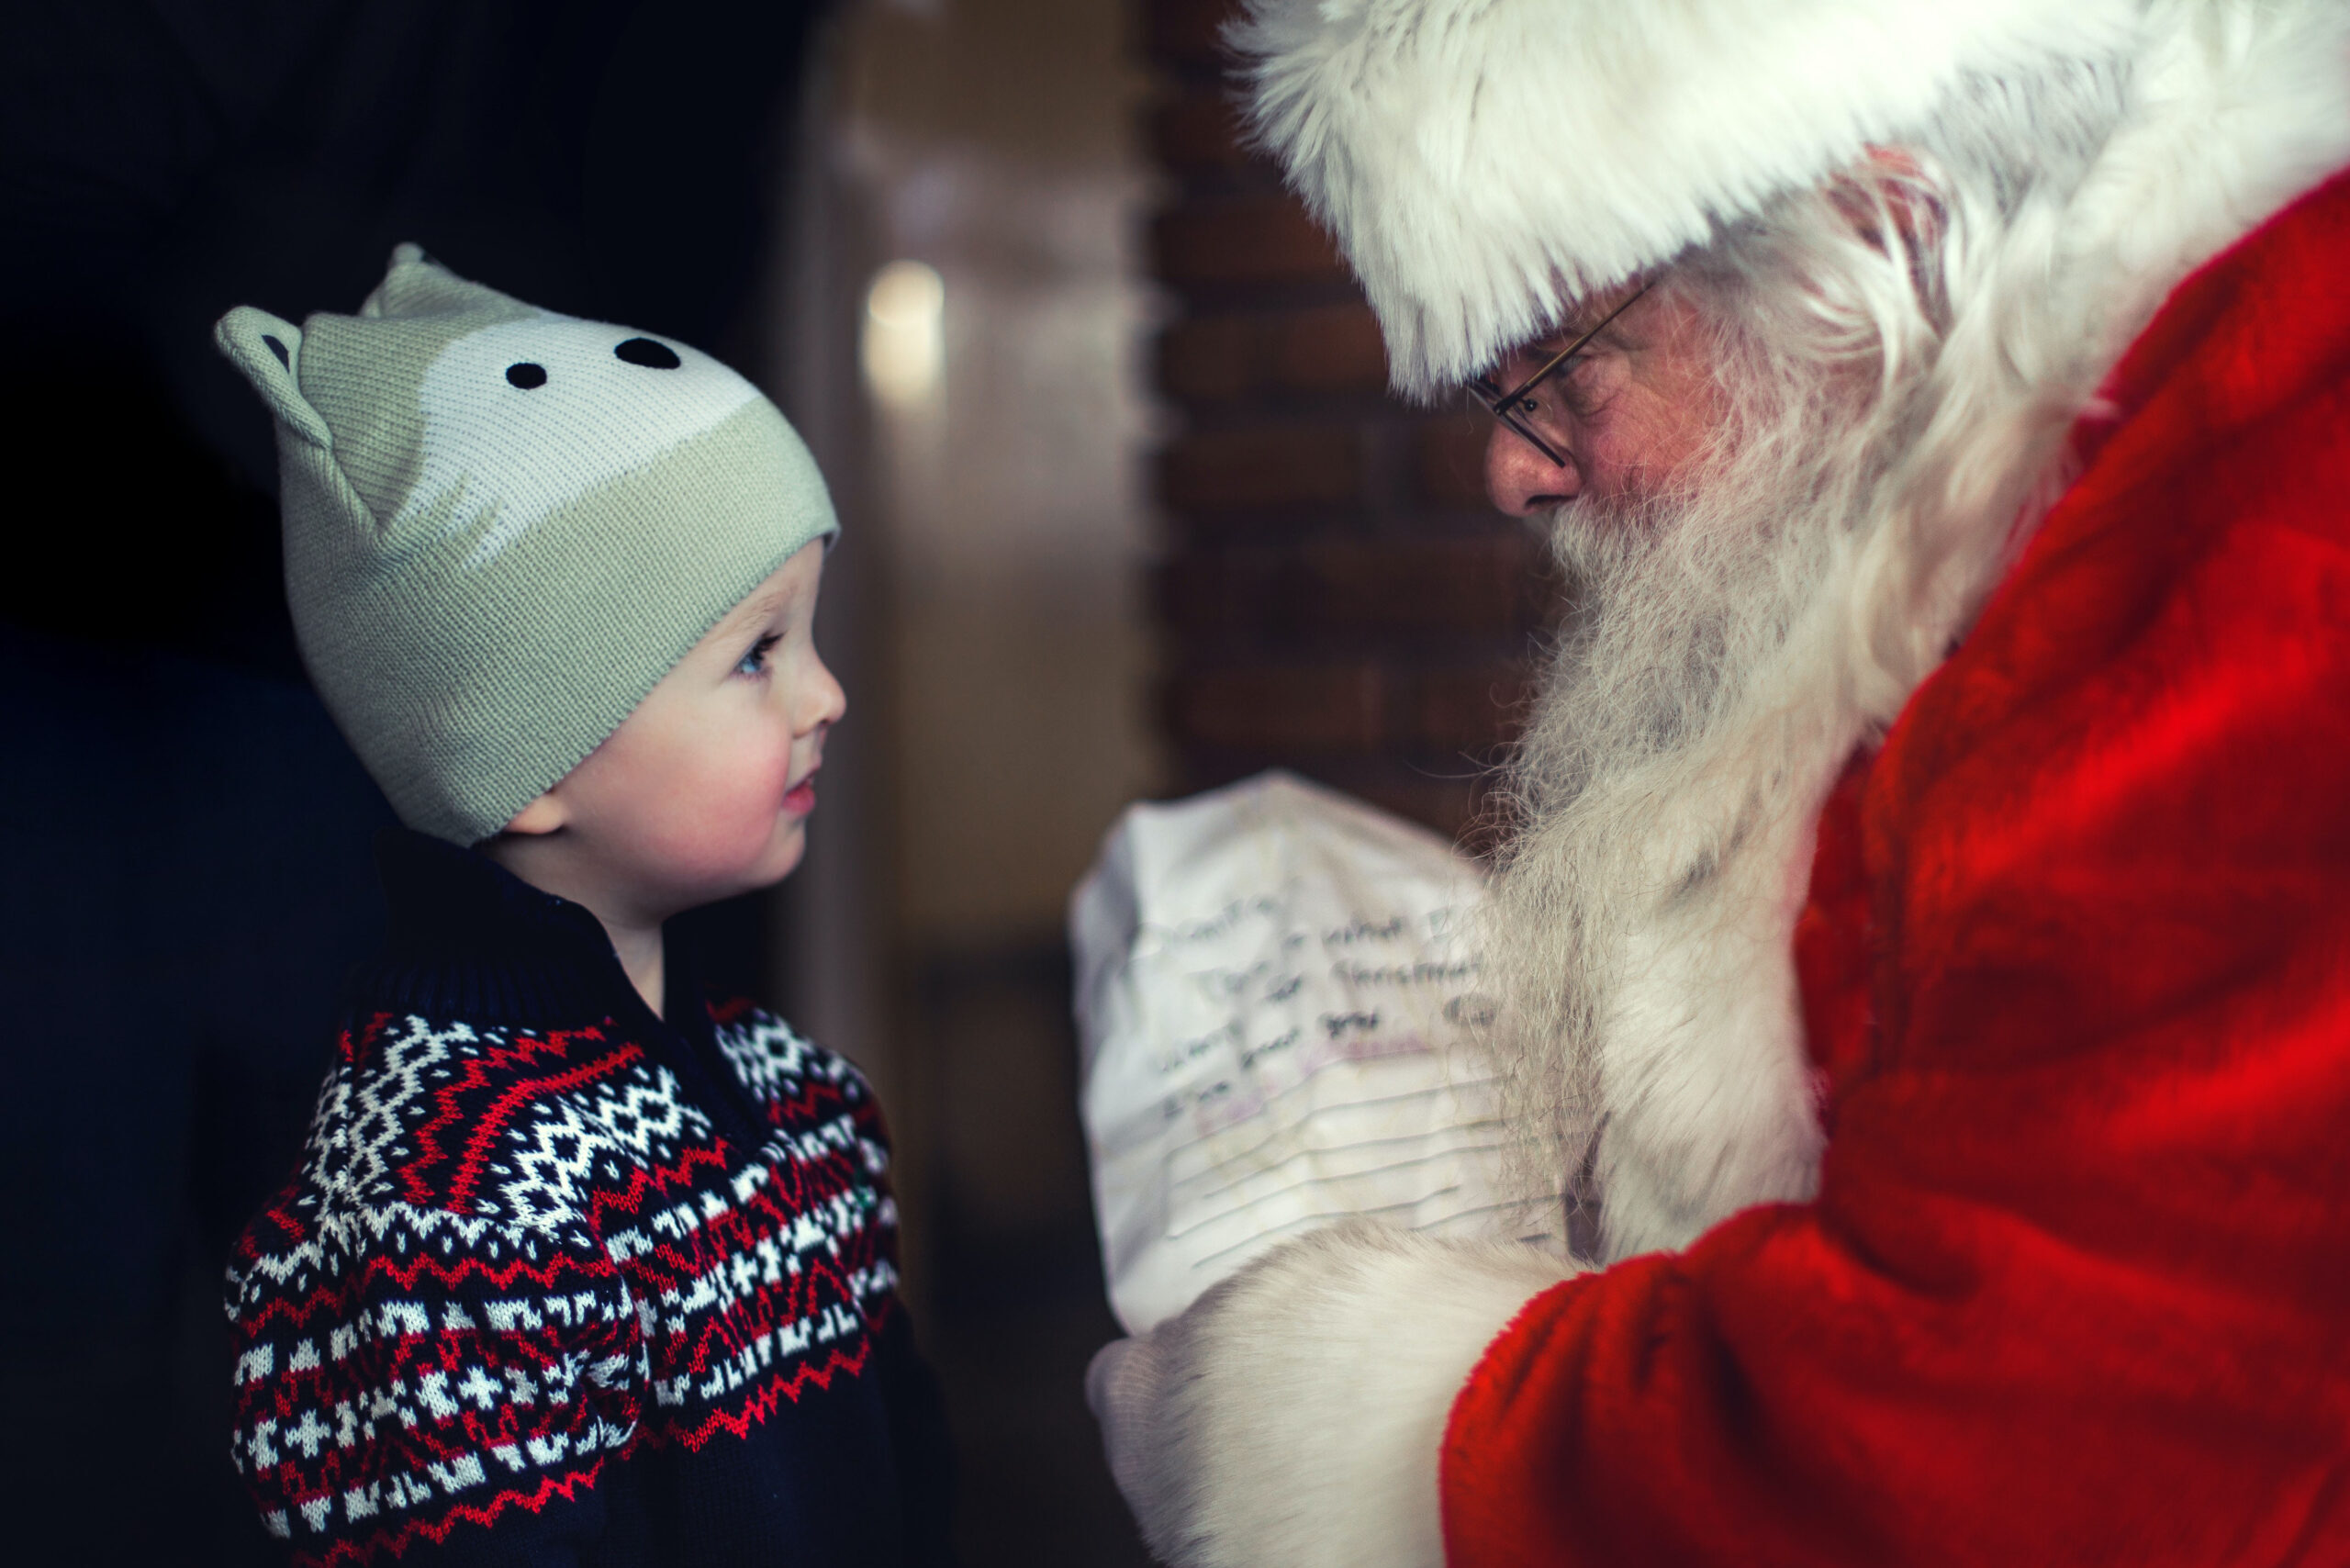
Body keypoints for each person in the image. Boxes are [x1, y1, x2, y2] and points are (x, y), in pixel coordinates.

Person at [1088, 0, 2350, 1562]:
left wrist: (1340, 1421)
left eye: (1549, 368)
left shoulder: (2278, 500)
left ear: (1874, 235)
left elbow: (2022, 1444)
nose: (1514, 469)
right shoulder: (2028, 487)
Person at [216, 246, 953, 1566]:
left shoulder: (807, 1103)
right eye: (757, 654)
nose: (825, 696)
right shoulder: (437, 1217)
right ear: (533, 757)